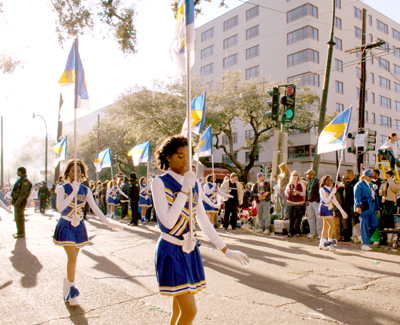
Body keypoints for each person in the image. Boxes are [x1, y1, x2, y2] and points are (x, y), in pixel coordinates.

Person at [151, 135, 249, 325]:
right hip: (170, 250)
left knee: (178, 310)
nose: (185, 161)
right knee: (190, 312)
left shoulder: (194, 183)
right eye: (180, 156)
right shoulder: (159, 182)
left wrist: (226, 250)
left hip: (189, 251)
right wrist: (184, 190)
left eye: (188, 157)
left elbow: (203, 220)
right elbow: (168, 222)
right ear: (168, 157)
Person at [53, 159, 121, 305]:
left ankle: (67, 286)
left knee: (74, 259)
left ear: (83, 173)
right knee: (72, 257)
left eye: (78, 171)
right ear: (68, 173)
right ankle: (72, 292)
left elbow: (95, 209)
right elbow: (59, 208)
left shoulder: (86, 190)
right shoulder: (62, 188)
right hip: (66, 224)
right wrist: (73, 193)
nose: (75, 174)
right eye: (72, 171)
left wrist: (108, 222)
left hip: (79, 226)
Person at [318, 175, 347, 251]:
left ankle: (322, 243)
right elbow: (326, 200)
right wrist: (332, 193)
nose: (330, 182)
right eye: (328, 180)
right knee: (332, 225)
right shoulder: (322, 189)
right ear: (324, 181)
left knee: (326, 227)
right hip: (324, 208)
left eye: (331, 181)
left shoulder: (331, 190)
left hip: (330, 209)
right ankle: (329, 244)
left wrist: (342, 211)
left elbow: (335, 201)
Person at [354, 170, 381, 251]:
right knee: (364, 225)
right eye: (369, 176)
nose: (370, 178)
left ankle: (365, 238)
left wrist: (377, 208)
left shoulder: (370, 185)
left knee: (375, 224)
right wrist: (358, 206)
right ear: (364, 176)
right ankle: (365, 243)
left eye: (371, 177)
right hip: (364, 206)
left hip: (372, 207)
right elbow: (357, 196)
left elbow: (374, 196)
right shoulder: (359, 185)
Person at [379, 170, 400, 245]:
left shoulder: (395, 182)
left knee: (390, 214)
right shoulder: (384, 182)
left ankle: (391, 227)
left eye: (388, 176)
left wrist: (390, 180)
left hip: (391, 200)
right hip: (385, 200)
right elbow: (380, 191)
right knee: (385, 215)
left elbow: (395, 188)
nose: (386, 178)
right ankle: (386, 226)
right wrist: (382, 192)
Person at [10, 167, 32, 238]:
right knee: (17, 217)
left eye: (18, 171)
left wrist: (18, 202)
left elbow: (23, 193)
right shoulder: (20, 180)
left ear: (21, 172)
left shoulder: (24, 181)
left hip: (20, 202)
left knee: (19, 217)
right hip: (17, 201)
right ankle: (19, 232)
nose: (17, 172)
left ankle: (21, 233)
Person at [285, 171, 306, 237]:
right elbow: (286, 192)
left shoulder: (301, 184)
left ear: (298, 176)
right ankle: (291, 232)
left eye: (296, 175)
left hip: (299, 203)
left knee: (298, 218)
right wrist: (288, 195)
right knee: (291, 218)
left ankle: (297, 232)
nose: (294, 176)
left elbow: (304, 193)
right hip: (290, 203)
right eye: (293, 175)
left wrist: (298, 192)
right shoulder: (289, 184)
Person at [342, 170, 358, 242]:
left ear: (350, 174)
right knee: (346, 222)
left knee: (353, 221)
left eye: (346, 173)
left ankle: (354, 236)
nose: (345, 175)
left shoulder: (356, 183)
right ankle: (347, 237)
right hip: (346, 205)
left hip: (353, 205)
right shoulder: (347, 183)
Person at [305, 169, 321, 239]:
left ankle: (320, 233)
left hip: (315, 201)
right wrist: (306, 200)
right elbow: (307, 191)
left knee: (318, 218)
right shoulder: (309, 182)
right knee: (310, 218)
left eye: (308, 174)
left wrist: (318, 199)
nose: (307, 176)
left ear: (312, 175)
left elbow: (320, 191)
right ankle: (312, 233)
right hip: (309, 201)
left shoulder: (317, 181)